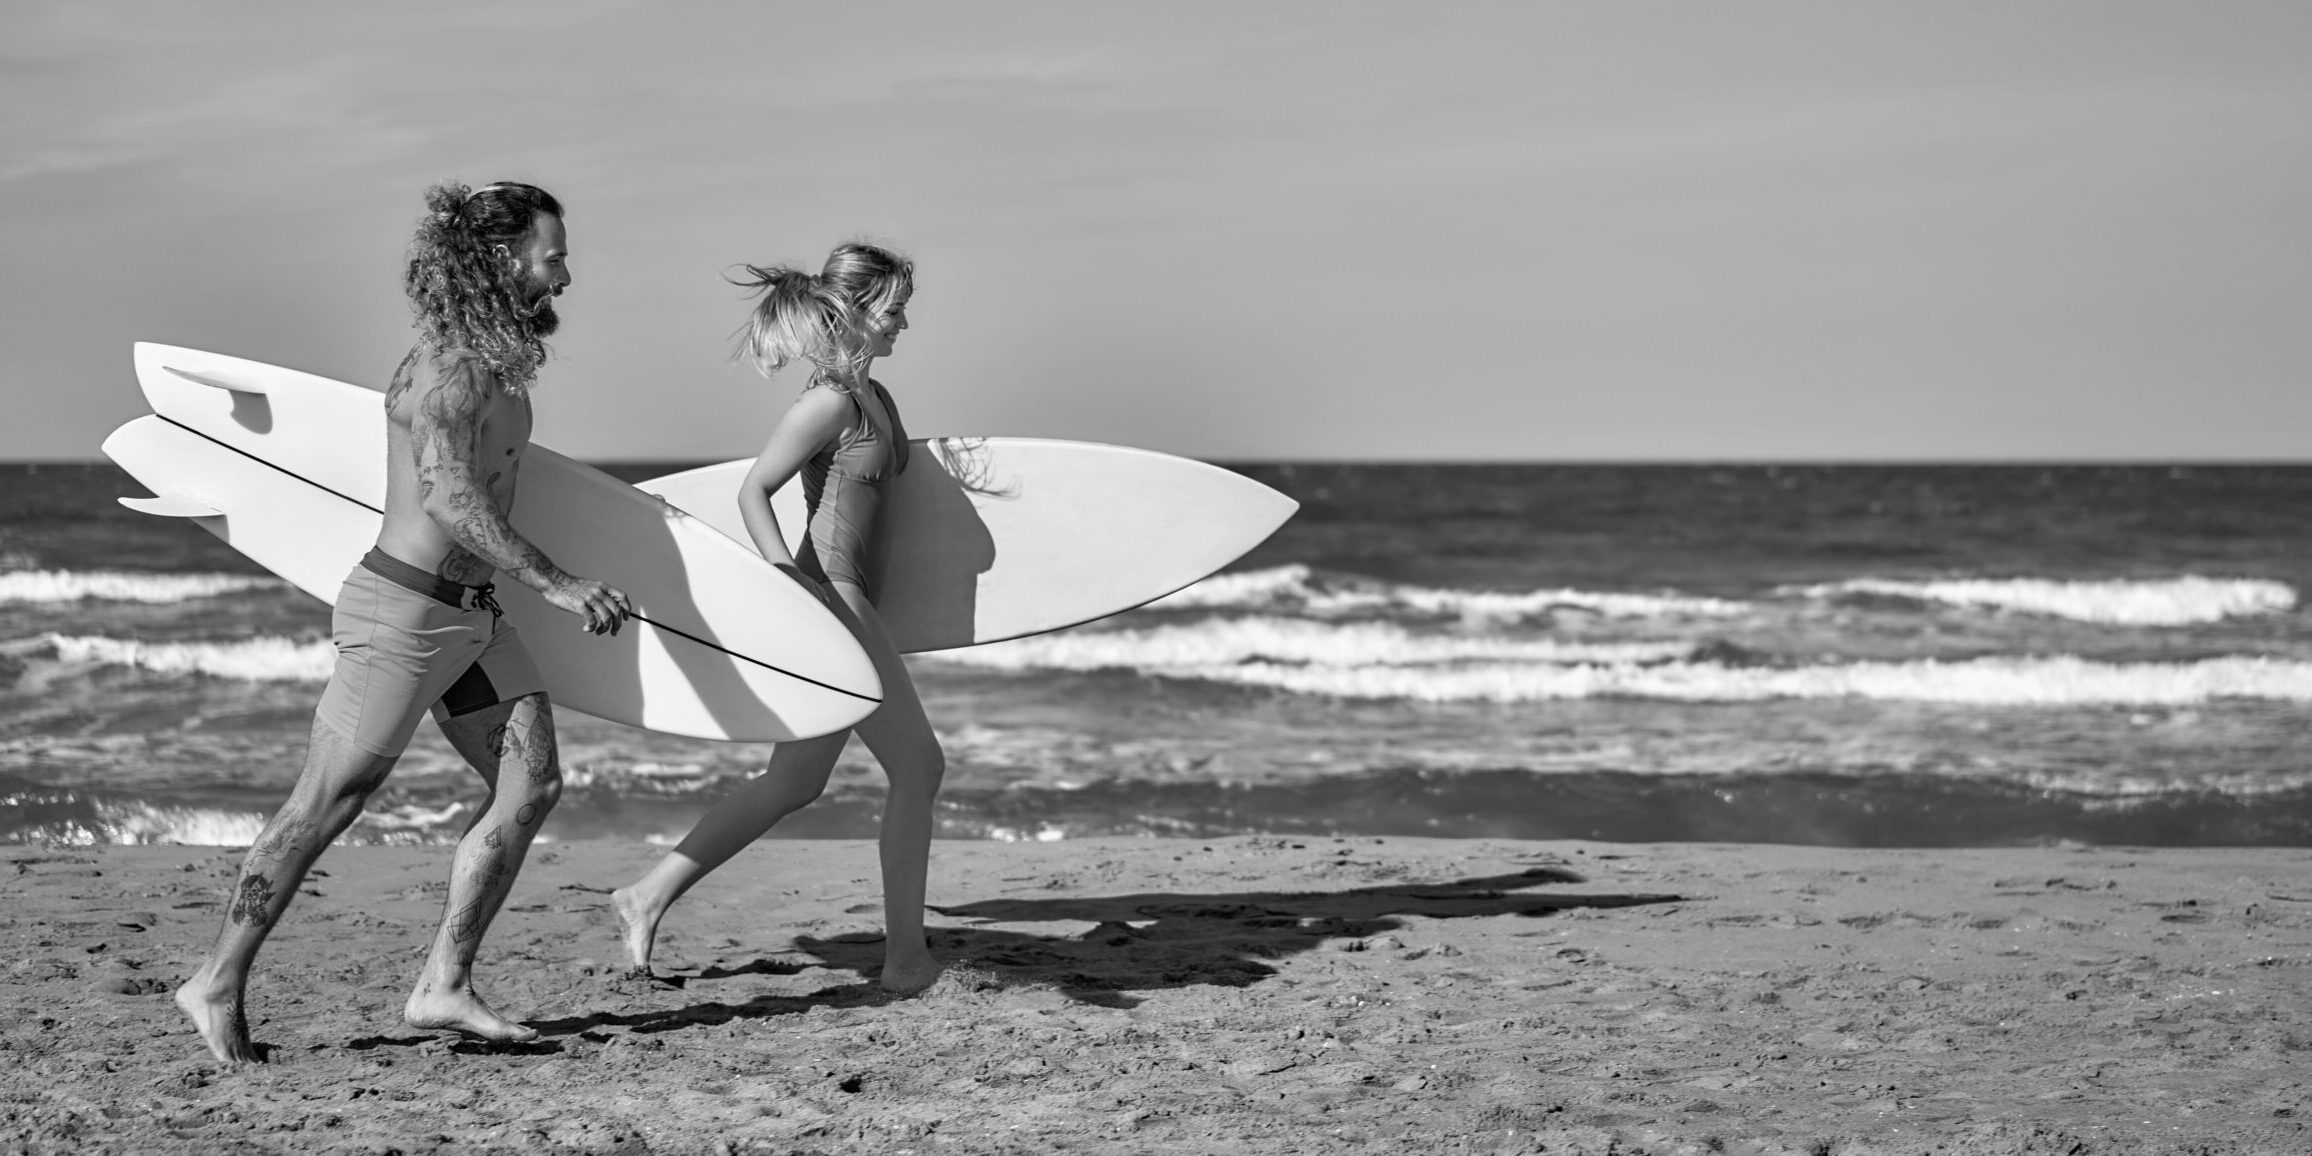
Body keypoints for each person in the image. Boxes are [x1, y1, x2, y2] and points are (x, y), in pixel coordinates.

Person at [173, 180, 633, 1064]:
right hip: (404, 615)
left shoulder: (490, 363)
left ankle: (443, 984)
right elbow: (450, 496)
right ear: (504, 261)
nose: (565, 278)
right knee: (324, 806)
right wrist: (561, 582)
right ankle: (215, 980)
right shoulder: (454, 365)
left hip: (471, 620)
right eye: (554, 258)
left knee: (530, 786)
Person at [612, 242, 946, 994]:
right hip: (833, 601)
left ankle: (644, 896)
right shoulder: (827, 403)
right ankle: (905, 960)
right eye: (895, 309)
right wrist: (787, 586)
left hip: (857, 600)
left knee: (793, 781)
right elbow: (754, 492)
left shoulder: (877, 399)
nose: (904, 324)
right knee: (920, 767)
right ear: (858, 312)